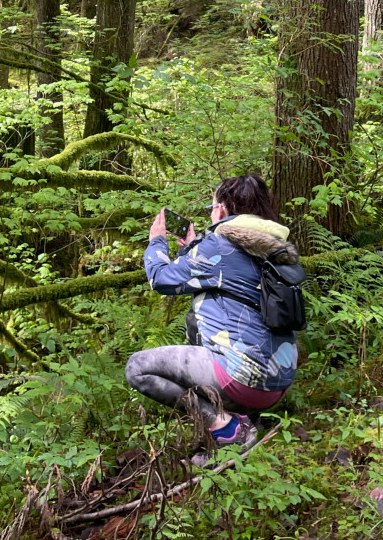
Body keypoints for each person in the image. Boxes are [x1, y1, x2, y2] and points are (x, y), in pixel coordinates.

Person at [125, 173, 299, 458]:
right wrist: (195, 247)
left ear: (220, 210)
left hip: (243, 381)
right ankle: (248, 419)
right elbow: (230, 278)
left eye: (212, 208)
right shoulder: (275, 248)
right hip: (279, 381)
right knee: (196, 325)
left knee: (137, 368)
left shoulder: (218, 246)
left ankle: (227, 429)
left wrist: (156, 242)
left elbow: (161, 279)